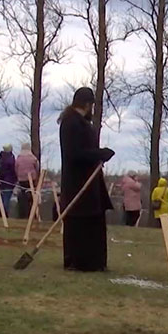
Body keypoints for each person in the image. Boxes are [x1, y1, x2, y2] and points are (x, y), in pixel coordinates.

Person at [58, 87, 115, 271]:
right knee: (80, 223)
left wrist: (98, 156)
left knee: (94, 222)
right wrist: (99, 154)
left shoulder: (80, 122)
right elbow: (74, 153)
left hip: (89, 181)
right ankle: (79, 261)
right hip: (79, 183)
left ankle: (94, 261)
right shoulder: (71, 123)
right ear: (87, 104)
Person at [15, 142, 40, 219]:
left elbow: (16, 169)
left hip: (22, 180)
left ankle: (23, 214)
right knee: (32, 196)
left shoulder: (18, 158)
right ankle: (33, 214)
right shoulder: (33, 158)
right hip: (32, 179)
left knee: (23, 196)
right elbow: (37, 167)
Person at [0, 144, 17, 215]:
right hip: (9, 181)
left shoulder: (1, 158)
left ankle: (1, 212)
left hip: (1, 181)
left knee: (2, 197)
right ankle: (4, 213)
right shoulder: (10, 159)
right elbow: (13, 170)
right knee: (6, 198)